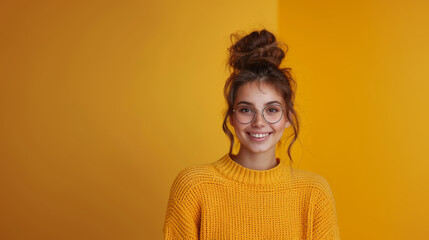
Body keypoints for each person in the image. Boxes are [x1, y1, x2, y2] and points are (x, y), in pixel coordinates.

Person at [163, 29, 340, 239]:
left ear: (288, 118)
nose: (258, 122)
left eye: (272, 110)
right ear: (231, 116)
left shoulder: (314, 193)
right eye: (246, 109)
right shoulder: (193, 186)